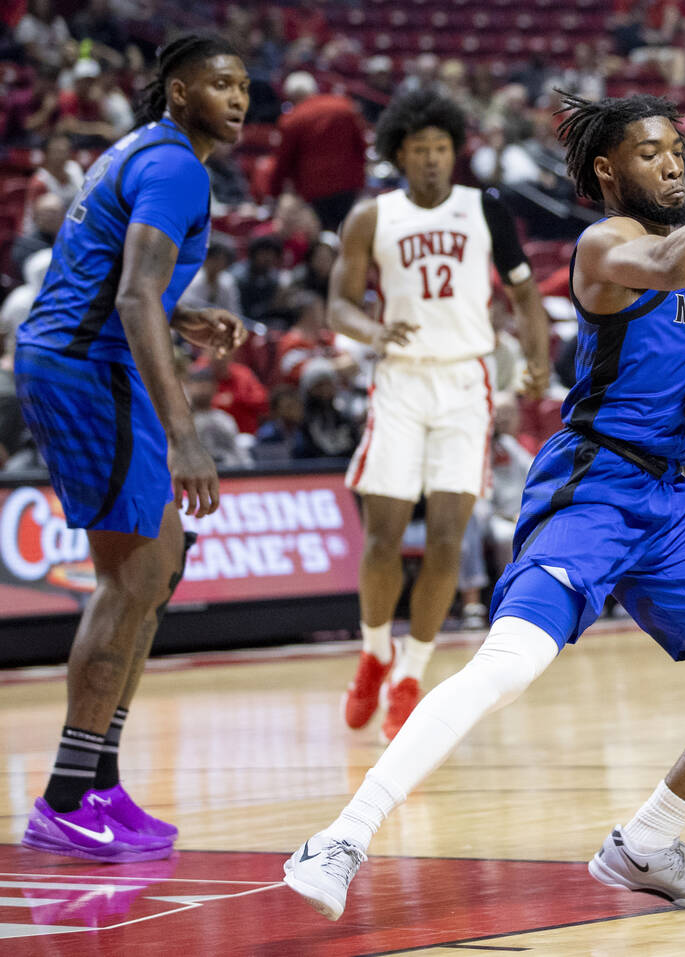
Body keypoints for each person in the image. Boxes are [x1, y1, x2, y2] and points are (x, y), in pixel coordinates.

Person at [283, 93, 685, 921]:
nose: (672, 163)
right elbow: (666, 267)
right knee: (510, 664)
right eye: (651, 152)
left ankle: (648, 843)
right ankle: (341, 835)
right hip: (591, 488)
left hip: (668, 502)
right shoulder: (609, 246)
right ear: (606, 169)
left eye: (677, 149)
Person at [14, 34, 249, 863]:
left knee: (164, 562)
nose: (237, 96)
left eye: (244, 85)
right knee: (133, 575)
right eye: (219, 82)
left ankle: (101, 780)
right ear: (177, 91)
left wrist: (184, 316)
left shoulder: (147, 152)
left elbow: (113, 275)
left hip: (83, 354)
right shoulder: (178, 165)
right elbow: (132, 292)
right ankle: (66, 799)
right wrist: (186, 435)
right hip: (83, 368)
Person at [331, 90, 552, 742]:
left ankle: (410, 672)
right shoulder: (373, 216)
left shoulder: (484, 207)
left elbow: (523, 292)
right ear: (400, 152)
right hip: (400, 379)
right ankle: (374, 651)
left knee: (451, 537)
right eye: (420, 149)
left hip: (465, 381)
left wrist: (537, 358)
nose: (432, 160)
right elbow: (340, 304)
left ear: (455, 152)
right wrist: (372, 332)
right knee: (384, 536)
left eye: (442, 149)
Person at [268, 71, 367, 232]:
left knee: (325, 235)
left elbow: (283, 162)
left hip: (315, 190)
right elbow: (361, 146)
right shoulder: (344, 106)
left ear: (290, 97)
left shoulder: (291, 120)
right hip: (349, 184)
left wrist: (274, 192)